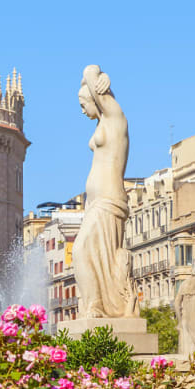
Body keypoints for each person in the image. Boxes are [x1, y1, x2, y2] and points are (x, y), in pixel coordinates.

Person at [71, 65, 138, 318]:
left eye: (82, 103)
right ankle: (95, 305)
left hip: (109, 199)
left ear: (96, 98)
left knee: (80, 250)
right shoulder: (102, 123)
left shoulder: (115, 118)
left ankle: (96, 306)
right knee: (94, 255)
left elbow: (89, 69)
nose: (81, 109)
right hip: (95, 203)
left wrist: (99, 76)